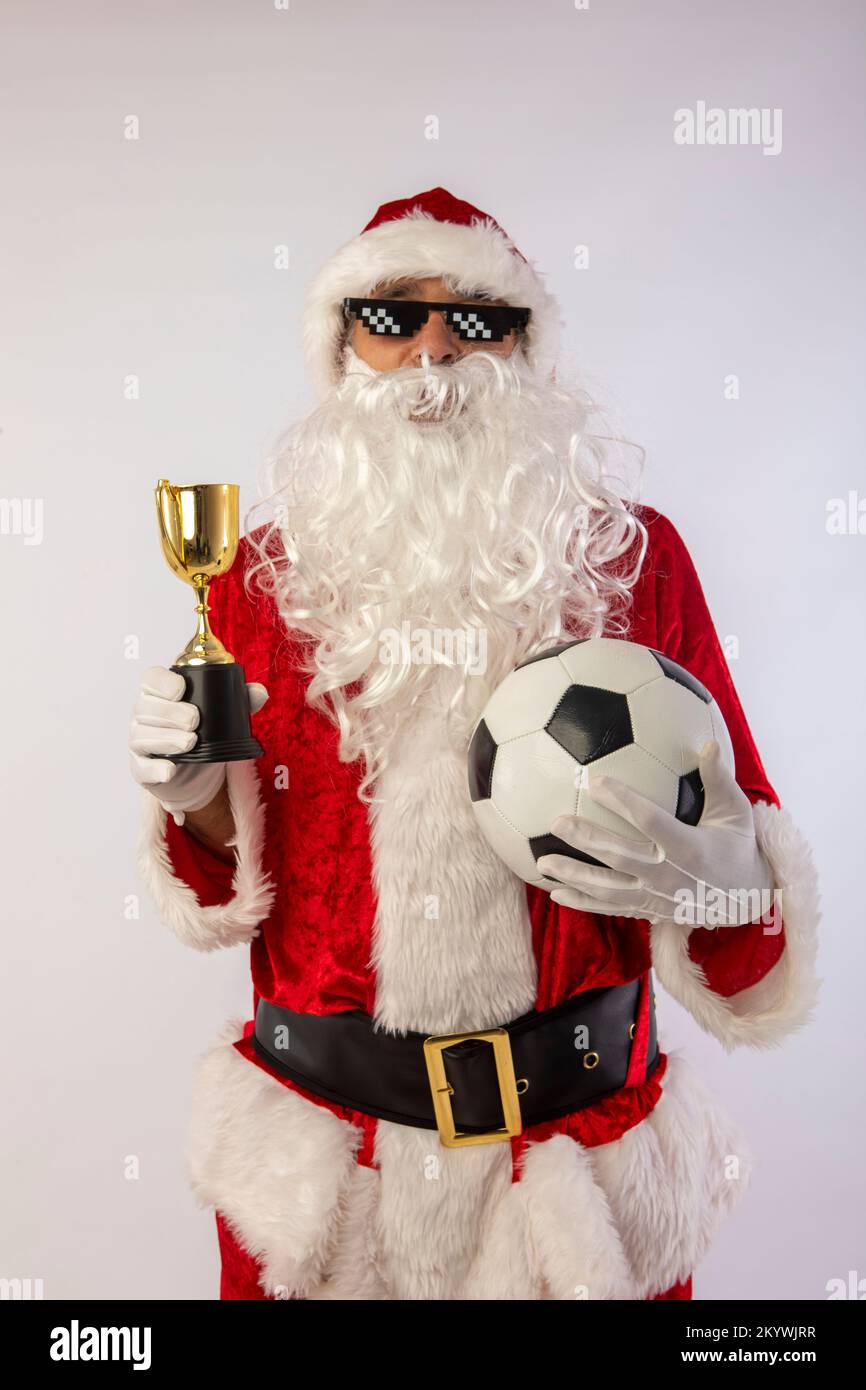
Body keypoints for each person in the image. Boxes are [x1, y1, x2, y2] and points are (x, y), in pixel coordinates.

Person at [129, 186, 821, 1301]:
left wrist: (728, 881)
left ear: (528, 350)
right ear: (341, 346)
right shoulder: (258, 578)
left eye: (477, 319)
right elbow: (223, 891)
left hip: (570, 1187)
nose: (434, 350)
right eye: (392, 315)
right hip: (325, 1190)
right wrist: (198, 801)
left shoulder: (631, 561)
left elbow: (751, 950)